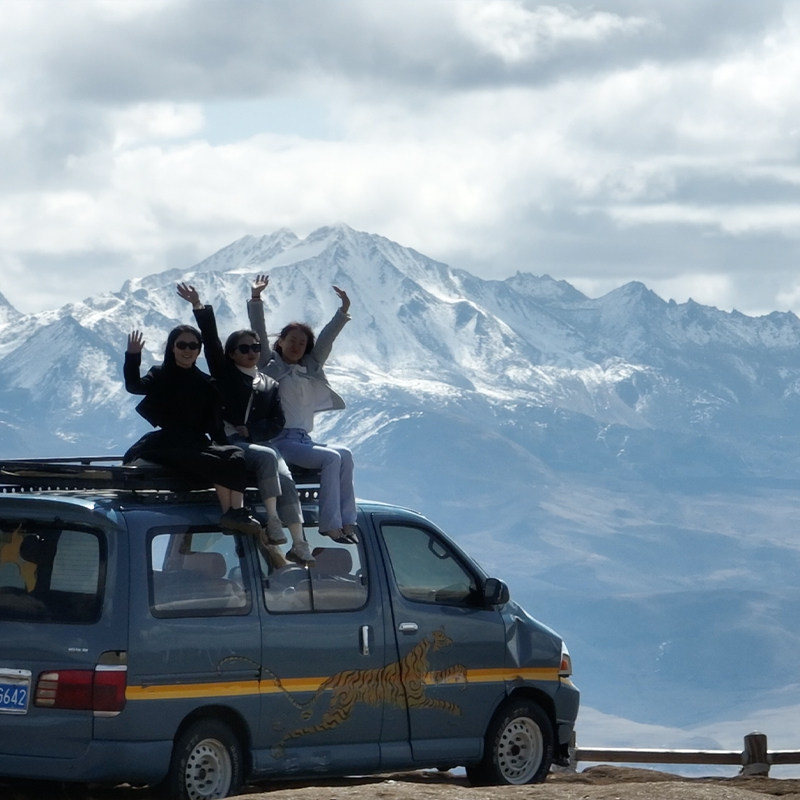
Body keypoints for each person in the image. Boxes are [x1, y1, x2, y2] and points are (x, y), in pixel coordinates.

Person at [176, 282, 315, 565]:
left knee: (286, 478)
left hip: (256, 441)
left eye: (255, 347)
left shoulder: (269, 384)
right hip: (230, 444)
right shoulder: (225, 375)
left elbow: (278, 421)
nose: (251, 352)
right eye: (243, 348)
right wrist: (199, 308)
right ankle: (273, 522)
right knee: (267, 456)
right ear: (232, 354)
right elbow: (212, 342)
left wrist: (254, 431)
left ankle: (299, 543)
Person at [123, 325, 261, 536]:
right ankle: (232, 513)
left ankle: (234, 513)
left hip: (195, 442)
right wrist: (133, 356)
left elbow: (214, 426)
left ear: (199, 350)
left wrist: (227, 444)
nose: (187, 350)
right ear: (172, 348)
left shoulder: (206, 382)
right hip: (166, 444)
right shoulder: (160, 374)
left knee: (236, 455)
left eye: (193, 345)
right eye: (182, 345)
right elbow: (134, 386)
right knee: (216, 461)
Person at [249, 277, 357, 544]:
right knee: (331, 459)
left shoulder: (310, 367)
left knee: (345, 454)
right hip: (280, 440)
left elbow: (326, 341)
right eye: (292, 340)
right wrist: (256, 299)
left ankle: (348, 521)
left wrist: (342, 312)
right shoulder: (269, 365)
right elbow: (258, 332)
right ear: (281, 342)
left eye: (302, 343)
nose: (297, 346)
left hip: (303, 439)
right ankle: (329, 524)